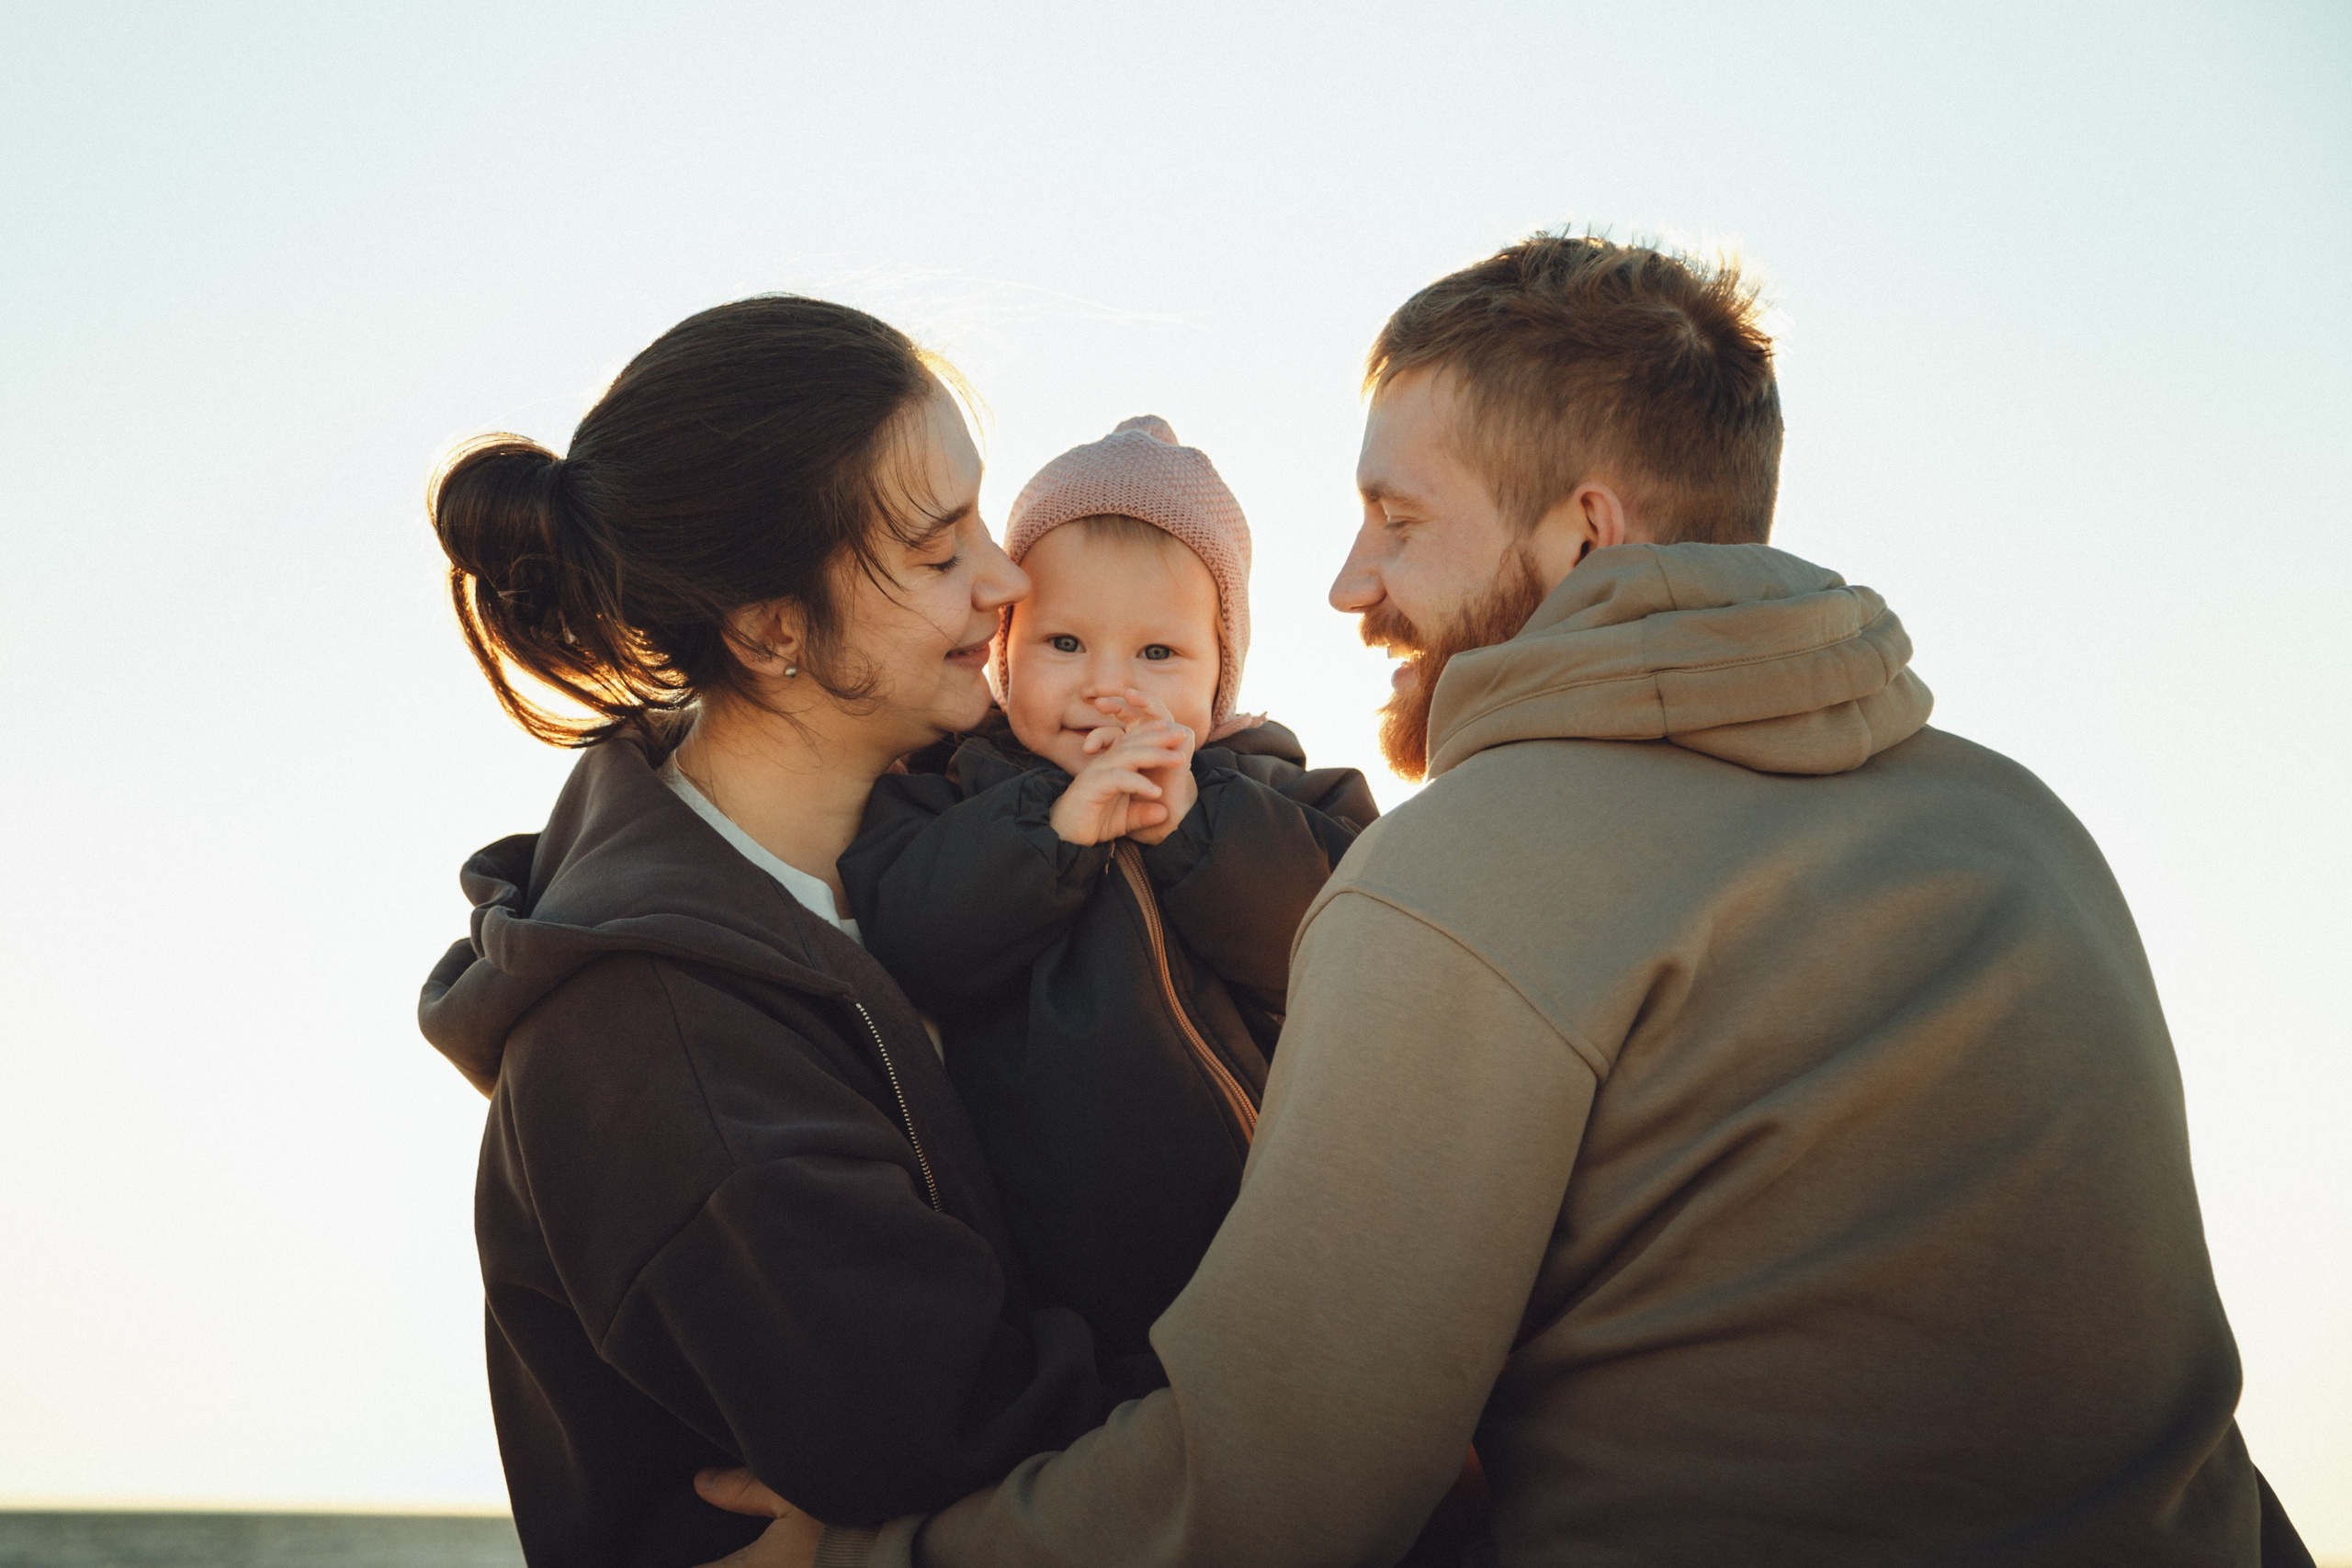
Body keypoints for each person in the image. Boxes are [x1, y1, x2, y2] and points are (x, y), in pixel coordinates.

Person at [699, 235, 2310, 1566]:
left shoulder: (1460, 876)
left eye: (1399, 520)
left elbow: (1280, 1488)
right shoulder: (2025, 826)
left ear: (1586, 531)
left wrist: (872, 1558)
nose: (1346, 585)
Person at [416, 297, 1159, 1567]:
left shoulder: (1001, 800)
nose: (1009, 577)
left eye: (981, 518)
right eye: (938, 554)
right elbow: (981, 1431)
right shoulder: (657, 1048)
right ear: (770, 630)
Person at [840, 416, 1376, 1362]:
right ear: (1003, 653)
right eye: (1064, 643)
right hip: (1056, 1272)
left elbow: (1345, 950)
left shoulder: (1277, 793)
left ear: (1221, 673)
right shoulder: (954, 795)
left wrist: (1194, 828)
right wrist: (1052, 830)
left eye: (1158, 655)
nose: (1108, 687)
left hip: (1282, 1245)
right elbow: (912, 943)